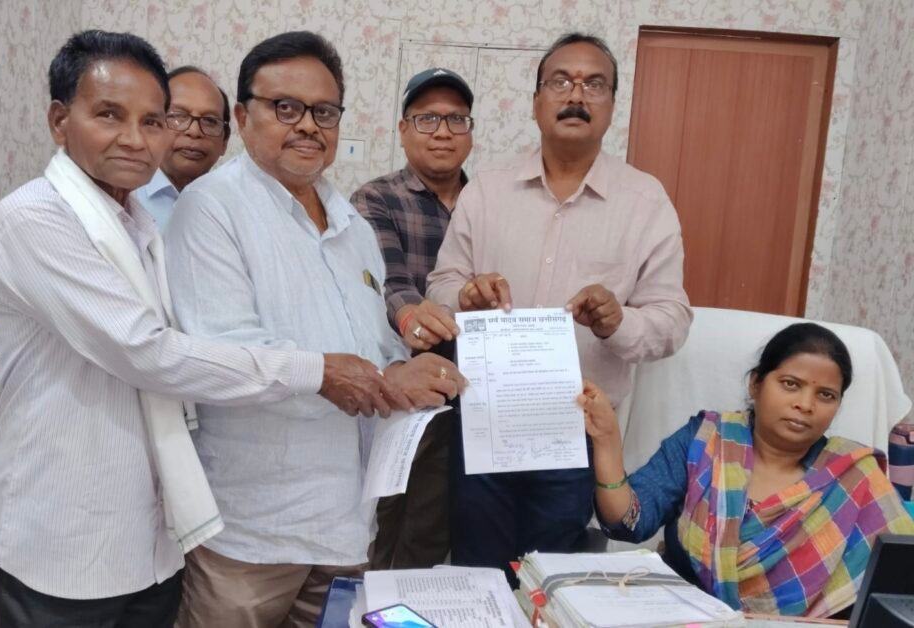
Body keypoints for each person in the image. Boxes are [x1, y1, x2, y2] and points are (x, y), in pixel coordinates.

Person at [0, 30, 407, 628]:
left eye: (153, 121)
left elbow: (370, 340)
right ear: (59, 120)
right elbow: (149, 352)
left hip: (157, 528)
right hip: (69, 530)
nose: (135, 138)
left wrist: (400, 367)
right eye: (109, 115)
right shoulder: (35, 218)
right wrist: (320, 371)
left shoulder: (137, 224)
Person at [164, 31, 466, 628]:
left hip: (346, 525)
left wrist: (404, 368)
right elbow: (224, 352)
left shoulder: (352, 224)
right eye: (286, 107)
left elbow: (372, 343)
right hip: (252, 532)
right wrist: (365, 377)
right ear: (243, 117)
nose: (307, 124)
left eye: (324, 111)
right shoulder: (211, 207)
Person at [425, 32, 692, 583]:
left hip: (576, 435)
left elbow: (673, 320)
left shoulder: (646, 202)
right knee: (479, 581)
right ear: (536, 101)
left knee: (559, 589)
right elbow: (440, 285)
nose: (576, 95)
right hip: (486, 427)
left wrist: (619, 321)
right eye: (561, 82)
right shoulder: (487, 190)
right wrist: (464, 296)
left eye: (594, 85)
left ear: (612, 104)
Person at [583, 322, 914, 617]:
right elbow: (628, 523)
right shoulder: (705, 442)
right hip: (685, 619)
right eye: (790, 384)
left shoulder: (854, 476)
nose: (805, 404)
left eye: (825, 395)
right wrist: (608, 442)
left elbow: (898, 582)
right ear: (756, 384)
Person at [350, 67, 474, 569]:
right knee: (400, 523)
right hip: (405, 388)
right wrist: (411, 317)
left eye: (456, 119)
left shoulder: (487, 202)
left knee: (456, 527)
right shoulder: (375, 199)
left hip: (480, 388)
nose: (442, 131)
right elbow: (387, 282)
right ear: (403, 130)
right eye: (427, 119)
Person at [133, 65, 230, 231]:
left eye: (210, 121)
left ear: (225, 141)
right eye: (178, 116)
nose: (194, 131)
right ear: (153, 124)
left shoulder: (233, 205)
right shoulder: (126, 196)